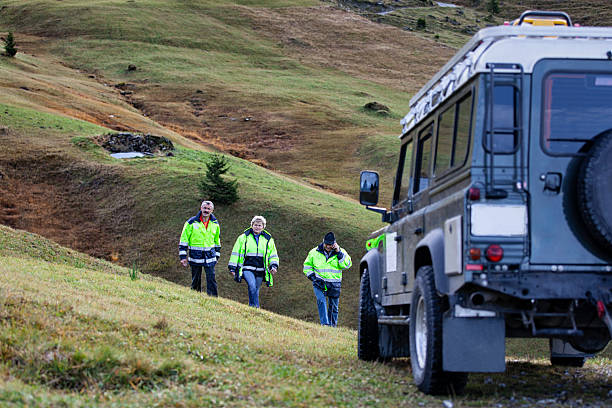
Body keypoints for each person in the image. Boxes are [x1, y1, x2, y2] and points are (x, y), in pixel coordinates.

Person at [228, 216, 279, 308]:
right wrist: (232, 267)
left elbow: (273, 254)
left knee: (256, 289)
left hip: (261, 269)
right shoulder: (243, 237)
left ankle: (252, 308)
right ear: (252, 225)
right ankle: (256, 307)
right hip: (247, 268)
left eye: (259, 225)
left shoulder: (268, 239)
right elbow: (236, 252)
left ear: (263, 227)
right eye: (255, 225)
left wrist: (273, 266)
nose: (257, 227)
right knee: (252, 285)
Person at [303, 232, 352, 327]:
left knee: (334, 307)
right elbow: (307, 266)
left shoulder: (341, 252)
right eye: (327, 244)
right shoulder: (314, 252)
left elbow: (347, 265)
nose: (328, 246)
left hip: (334, 284)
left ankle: (332, 327)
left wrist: (339, 253)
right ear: (323, 242)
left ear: (334, 243)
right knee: (321, 301)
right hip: (319, 282)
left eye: (330, 244)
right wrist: (313, 278)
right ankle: (324, 324)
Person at [179, 200, 221, 296]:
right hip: (195, 256)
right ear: (201, 208)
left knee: (211, 278)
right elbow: (184, 240)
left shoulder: (215, 223)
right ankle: (195, 296)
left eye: (208, 209)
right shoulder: (191, 222)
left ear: (212, 210)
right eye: (204, 208)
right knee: (196, 279)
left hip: (210, 256)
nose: (206, 210)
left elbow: (217, 240)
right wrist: (183, 257)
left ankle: (213, 299)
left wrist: (217, 256)